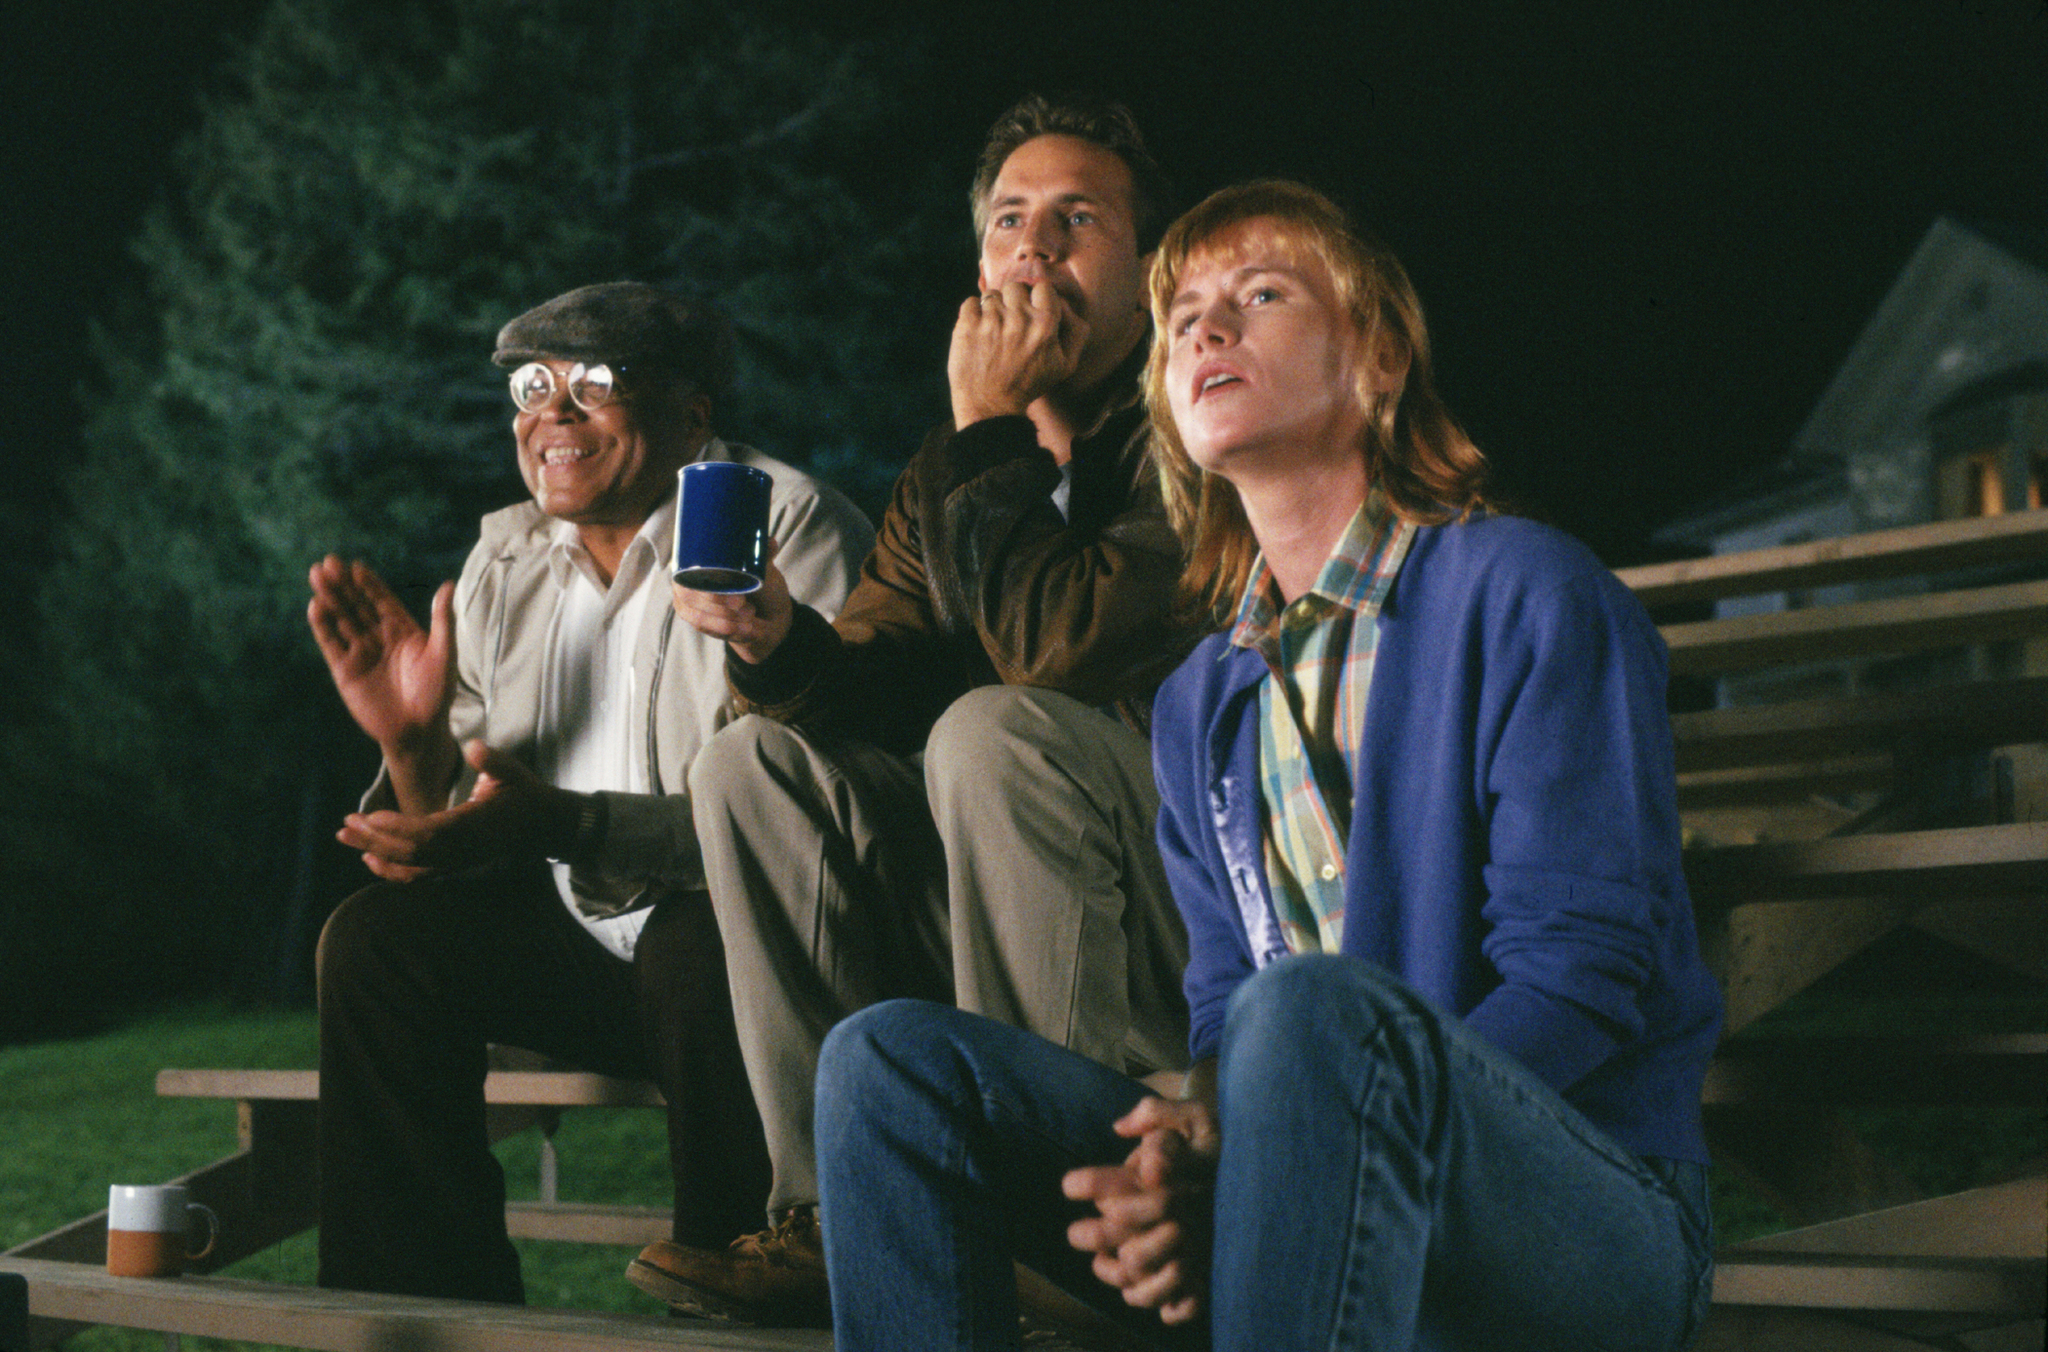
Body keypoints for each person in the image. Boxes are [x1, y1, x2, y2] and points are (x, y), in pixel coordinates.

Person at [812, 181, 1723, 1351]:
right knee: (890, 1061)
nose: (1204, 326)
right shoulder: (1203, 697)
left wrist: (1259, 1135)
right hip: (1296, 1188)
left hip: (1587, 1219)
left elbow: (1586, 973)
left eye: (1260, 294)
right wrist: (1193, 1154)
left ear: (1379, 358)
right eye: (1183, 310)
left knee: (1308, 1008)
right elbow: (1218, 1010)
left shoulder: (1526, 592)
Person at [639, 94, 1204, 1326]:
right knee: (748, 763)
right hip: (1002, 911)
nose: (1034, 247)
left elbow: (1055, 652)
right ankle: (831, 1211)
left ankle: (1049, 1209)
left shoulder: (1193, 433)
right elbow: (875, 678)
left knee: (996, 727)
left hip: (1175, 920)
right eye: (1009, 219)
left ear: (1151, 268)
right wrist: (777, 640)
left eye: (1077, 218)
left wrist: (989, 432)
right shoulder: (947, 476)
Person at [306, 282, 874, 1303]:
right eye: (533, 386)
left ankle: (744, 1285)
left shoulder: (784, 526)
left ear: (693, 411)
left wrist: (574, 824)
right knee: (374, 942)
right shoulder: (505, 557)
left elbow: (820, 818)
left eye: (593, 384)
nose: (550, 414)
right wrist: (411, 745)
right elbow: (466, 807)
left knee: (693, 944)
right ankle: (412, 1308)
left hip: (755, 957)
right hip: (583, 943)